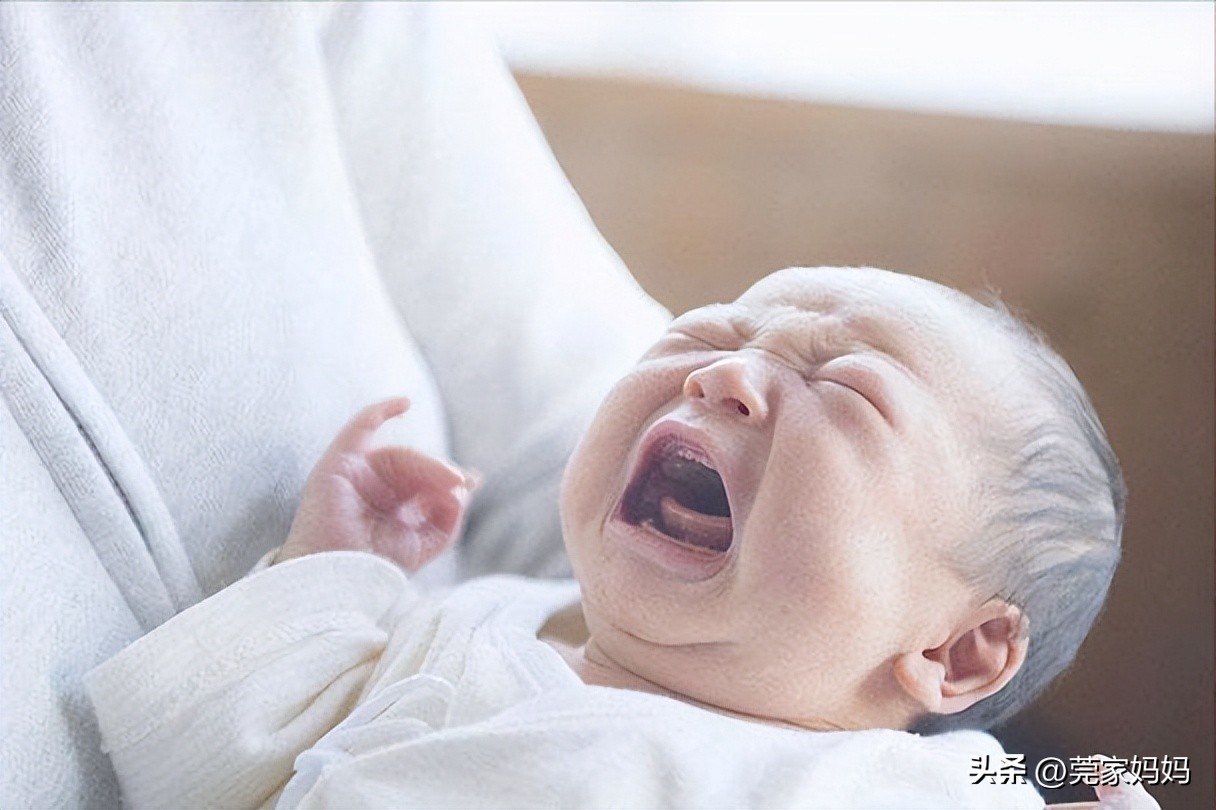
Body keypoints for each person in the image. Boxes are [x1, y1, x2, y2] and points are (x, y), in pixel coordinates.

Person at [86, 267, 1157, 809]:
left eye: (841, 389)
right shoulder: (456, 635)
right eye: (705, 331)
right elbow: (209, 765)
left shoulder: (903, 786)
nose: (720, 374)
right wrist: (331, 573)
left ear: (956, 651)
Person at [0, 5, 667, 807]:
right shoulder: (478, 650)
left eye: (849, 390)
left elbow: (577, 446)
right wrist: (315, 599)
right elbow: (219, 778)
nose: (725, 379)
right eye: (725, 337)